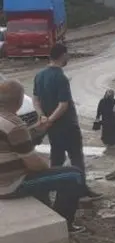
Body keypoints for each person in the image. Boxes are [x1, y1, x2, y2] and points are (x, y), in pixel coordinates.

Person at [0, 79, 86, 233]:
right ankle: (64, 225)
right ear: (19, 101)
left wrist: (36, 129)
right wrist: (46, 167)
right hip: (9, 186)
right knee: (74, 176)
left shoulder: (7, 122)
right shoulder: (14, 124)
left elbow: (15, 141)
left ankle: (48, 208)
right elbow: (34, 165)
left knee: (45, 176)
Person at [33, 44, 100, 199]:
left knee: (56, 157)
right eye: (67, 54)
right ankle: (81, 190)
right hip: (68, 126)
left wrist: (43, 117)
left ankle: (50, 189)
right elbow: (63, 105)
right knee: (76, 158)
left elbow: (36, 99)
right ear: (62, 55)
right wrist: (50, 119)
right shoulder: (60, 77)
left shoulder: (39, 75)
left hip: (52, 128)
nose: (68, 57)